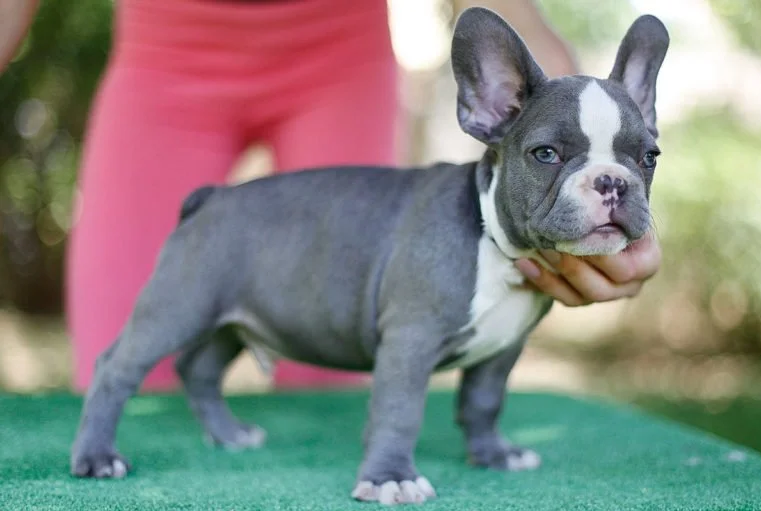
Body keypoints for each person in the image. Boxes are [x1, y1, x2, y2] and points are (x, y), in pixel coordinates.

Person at [0, 0, 661, 393]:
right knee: (121, 361)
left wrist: (595, 156)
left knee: (344, 365)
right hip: (162, 58)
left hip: (337, 60)